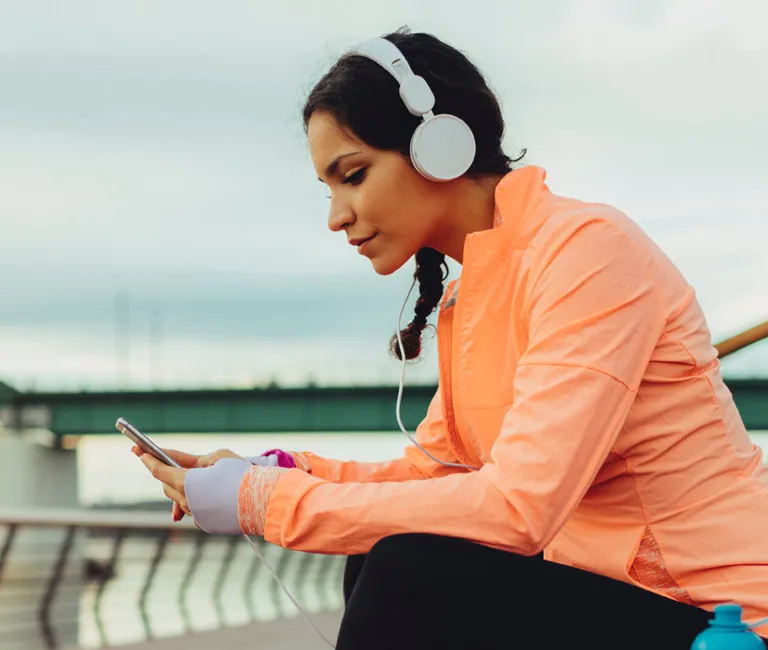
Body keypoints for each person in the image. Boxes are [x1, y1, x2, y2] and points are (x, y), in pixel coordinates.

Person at [135, 28, 768, 649]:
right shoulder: (475, 295)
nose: (336, 217)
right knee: (383, 554)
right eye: (328, 189)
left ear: (440, 145)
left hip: (719, 620)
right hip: (612, 604)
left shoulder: (588, 251)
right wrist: (281, 472)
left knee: (409, 574)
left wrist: (268, 505)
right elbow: (433, 476)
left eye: (352, 175)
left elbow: (519, 509)